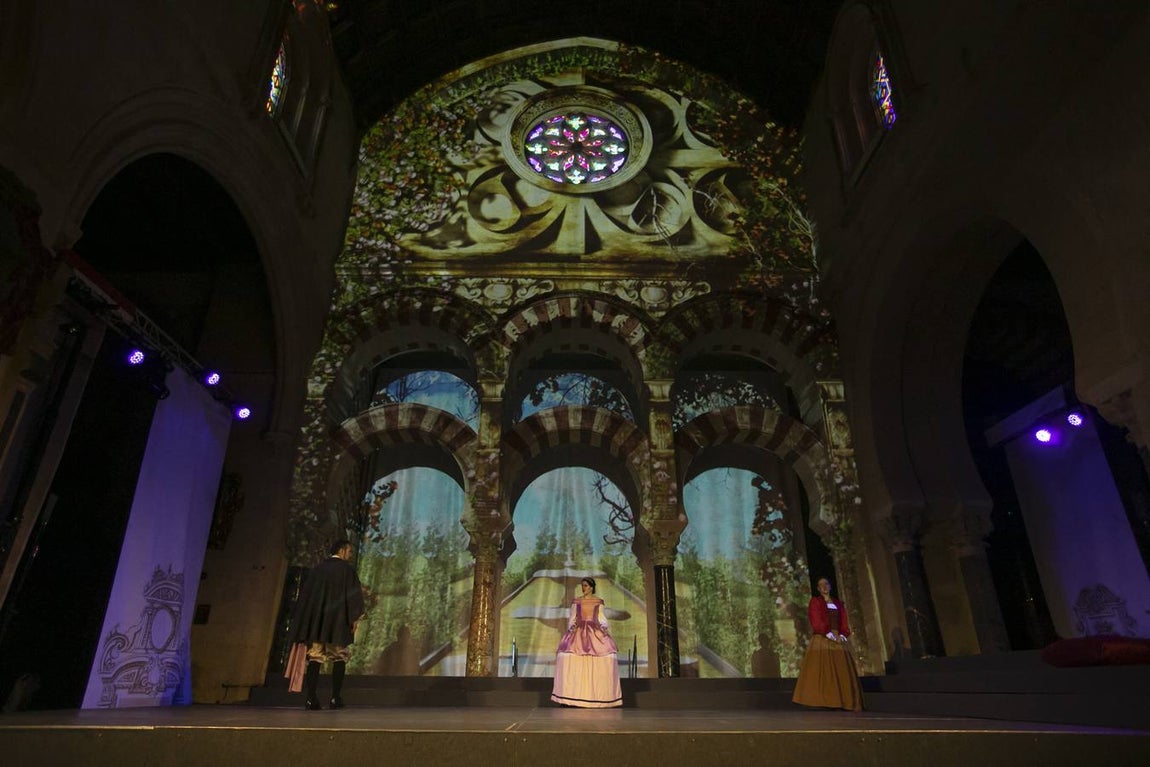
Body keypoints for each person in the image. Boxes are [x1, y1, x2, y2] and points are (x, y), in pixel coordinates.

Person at [284, 539, 365, 710]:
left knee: (315, 657)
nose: (350, 555)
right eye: (349, 552)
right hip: (338, 624)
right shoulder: (347, 571)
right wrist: (353, 619)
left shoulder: (317, 570)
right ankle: (335, 697)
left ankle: (310, 698)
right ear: (342, 551)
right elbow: (353, 597)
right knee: (339, 657)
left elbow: (306, 598)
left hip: (317, 624)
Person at [791, 576, 863, 711]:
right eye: (821, 585)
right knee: (822, 669)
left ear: (830, 586)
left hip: (837, 637)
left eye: (826, 584)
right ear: (818, 589)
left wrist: (842, 634)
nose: (824, 586)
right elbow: (816, 619)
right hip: (822, 637)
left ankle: (843, 701)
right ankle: (824, 701)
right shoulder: (816, 602)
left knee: (841, 668)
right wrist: (827, 633)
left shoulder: (838, 603)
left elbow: (843, 620)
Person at [551, 577, 622, 708]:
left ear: (592, 587)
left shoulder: (598, 601)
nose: (584, 588)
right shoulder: (577, 601)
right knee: (567, 656)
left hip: (594, 630)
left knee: (606, 655)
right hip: (579, 630)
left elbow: (601, 618)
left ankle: (598, 696)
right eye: (582, 586)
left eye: (586, 586)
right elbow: (572, 618)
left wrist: (604, 630)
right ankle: (571, 697)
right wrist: (571, 629)